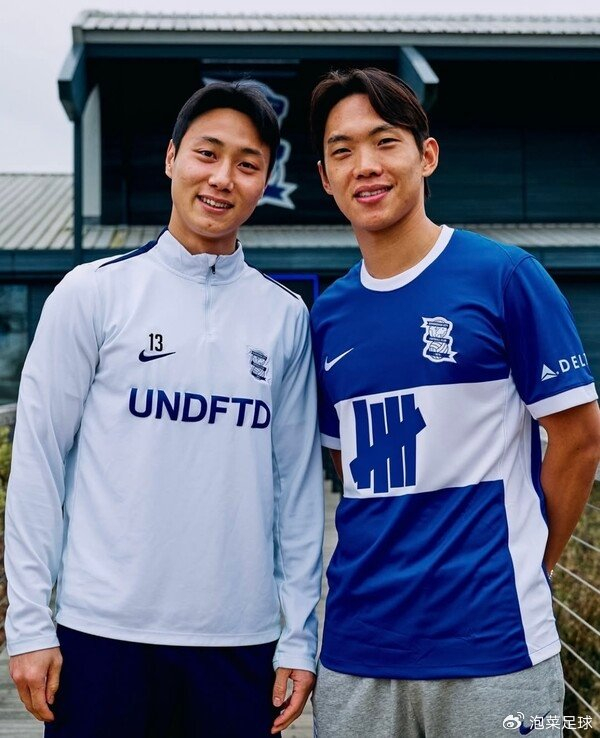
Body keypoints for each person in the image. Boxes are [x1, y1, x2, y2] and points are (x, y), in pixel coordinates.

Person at [4, 80, 324, 738]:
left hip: (239, 644)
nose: (223, 178)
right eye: (207, 153)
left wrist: (298, 637)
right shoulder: (93, 294)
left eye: (247, 163)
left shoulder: (285, 317)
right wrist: (30, 624)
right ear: (172, 157)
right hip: (101, 636)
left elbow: (296, 489)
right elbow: (38, 460)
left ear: (265, 181)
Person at [308, 67, 600, 738]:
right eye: (342, 151)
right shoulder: (328, 317)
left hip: (495, 650)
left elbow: (580, 438)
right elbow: (349, 471)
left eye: (385, 142)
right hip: (358, 651)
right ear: (324, 177)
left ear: (427, 155)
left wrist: (529, 567)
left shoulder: (505, 277)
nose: (365, 166)